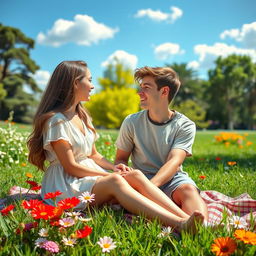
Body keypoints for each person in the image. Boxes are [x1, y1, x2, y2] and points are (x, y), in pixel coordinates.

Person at [27, 61, 204, 232]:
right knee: (117, 180)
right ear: (75, 84)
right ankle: (180, 223)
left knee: (131, 174)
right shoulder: (56, 121)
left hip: (85, 178)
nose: (92, 85)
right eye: (89, 80)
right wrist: (110, 174)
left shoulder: (82, 116)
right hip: (65, 183)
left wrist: (114, 168)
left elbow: (94, 155)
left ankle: (187, 221)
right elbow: (71, 167)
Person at [115, 66, 208, 220]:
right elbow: (120, 158)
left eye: (146, 87)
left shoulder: (185, 125)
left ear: (164, 92)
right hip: (140, 178)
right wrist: (122, 168)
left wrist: (149, 188)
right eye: (141, 87)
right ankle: (185, 223)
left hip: (172, 179)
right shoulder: (131, 122)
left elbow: (174, 162)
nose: (140, 92)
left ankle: (202, 227)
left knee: (189, 190)